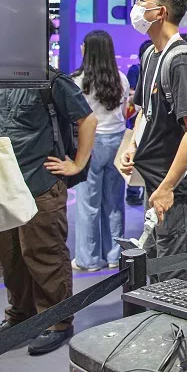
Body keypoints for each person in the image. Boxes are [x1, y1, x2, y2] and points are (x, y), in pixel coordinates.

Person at [0, 20, 97, 355]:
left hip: (40, 184)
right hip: (6, 187)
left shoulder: (51, 80)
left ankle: (57, 320)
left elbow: (87, 119)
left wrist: (77, 163)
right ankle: (21, 316)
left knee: (43, 253)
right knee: (11, 257)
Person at [121, 0, 187, 284]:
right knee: (160, 274)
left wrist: (169, 187)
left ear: (160, 12)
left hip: (179, 190)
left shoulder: (181, 60)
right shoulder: (151, 55)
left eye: (141, 2)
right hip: (157, 185)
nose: (135, 8)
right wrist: (134, 148)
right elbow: (145, 113)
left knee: (181, 278)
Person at [71, 30, 130, 273]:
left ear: (88, 49)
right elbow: (126, 111)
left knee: (88, 203)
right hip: (117, 144)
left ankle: (88, 259)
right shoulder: (121, 79)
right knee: (115, 201)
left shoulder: (77, 80)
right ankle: (115, 255)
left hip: (90, 144)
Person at [125, 39, 154, 206]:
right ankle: (133, 192)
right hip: (138, 121)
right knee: (134, 158)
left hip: (148, 123)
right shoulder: (136, 70)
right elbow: (132, 94)